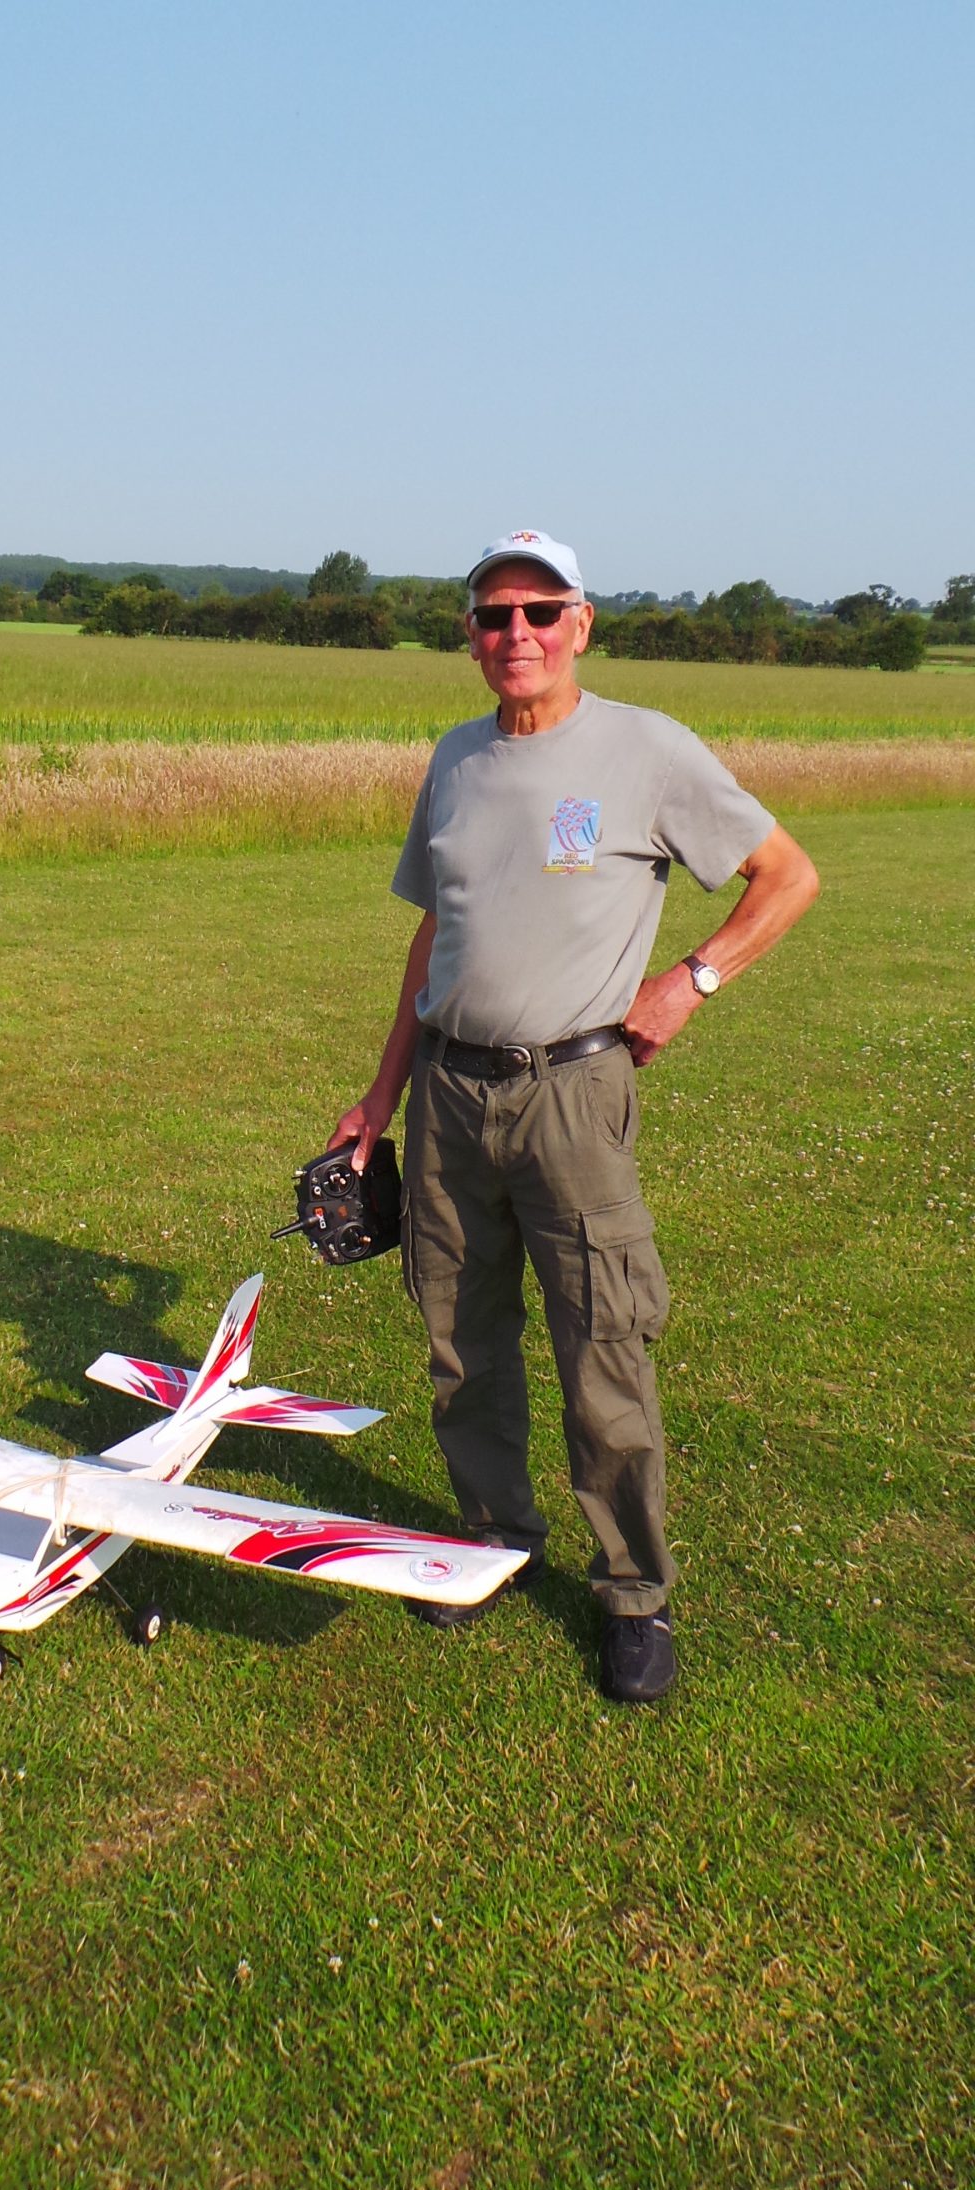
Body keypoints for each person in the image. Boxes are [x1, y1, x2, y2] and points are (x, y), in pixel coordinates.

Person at [328, 529, 819, 1703]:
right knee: (461, 1338)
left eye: (541, 612)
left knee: (602, 1340)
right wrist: (380, 1094)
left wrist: (689, 982)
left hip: (574, 1093)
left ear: (581, 624)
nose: (519, 634)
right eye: (495, 614)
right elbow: (433, 935)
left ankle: (634, 1594)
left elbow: (788, 875)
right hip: (449, 1091)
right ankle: (493, 1540)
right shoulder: (455, 759)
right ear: (470, 635)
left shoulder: (647, 749)